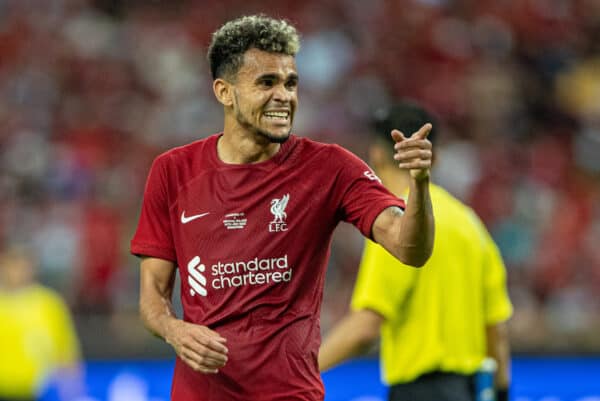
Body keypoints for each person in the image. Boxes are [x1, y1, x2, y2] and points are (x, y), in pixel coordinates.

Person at [130, 15, 435, 401]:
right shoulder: (173, 171)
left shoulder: (331, 167)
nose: (284, 96)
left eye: (291, 83)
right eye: (266, 82)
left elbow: (411, 248)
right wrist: (176, 331)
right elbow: (152, 296)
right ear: (225, 92)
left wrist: (420, 184)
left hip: (289, 394)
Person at [318, 100, 513, 401]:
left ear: (377, 153)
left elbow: (366, 327)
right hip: (468, 390)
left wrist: (304, 371)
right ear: (434, 157)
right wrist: (501, 391)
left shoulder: (396, 225)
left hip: (420, 391)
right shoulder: (470, 224)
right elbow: (495, 330)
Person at [0, 245, 82, 401]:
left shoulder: (48, 304)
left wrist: (72, 390)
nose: (17, 272)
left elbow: (66, 350)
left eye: (22, 265)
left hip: (37, 392)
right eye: (12, 265)